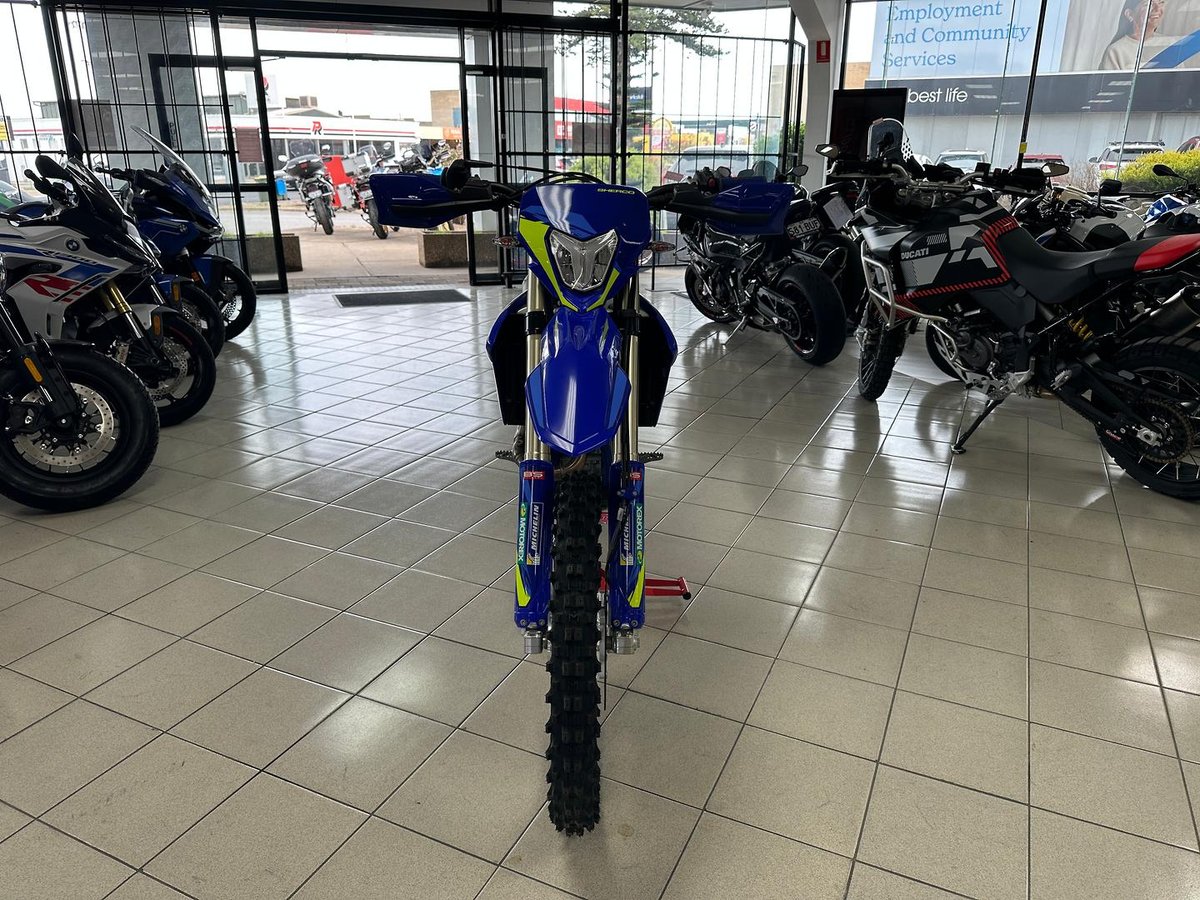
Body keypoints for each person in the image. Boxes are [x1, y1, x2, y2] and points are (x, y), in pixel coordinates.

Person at [1100, 0, 1188, 69]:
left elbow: (1182, 82)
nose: (1157, 9)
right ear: (1130, 14)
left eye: (1161, 3)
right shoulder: (1116, 51)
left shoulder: (1171, 44)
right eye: (1148, 4)